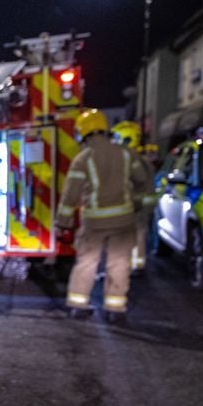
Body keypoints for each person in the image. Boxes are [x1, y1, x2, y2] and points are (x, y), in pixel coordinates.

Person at [57, 109, 151, 324]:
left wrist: (63, 220)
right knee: (118, 263)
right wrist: (135, 202)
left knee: (87, 263)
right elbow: (141, 179)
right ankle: (115, 309)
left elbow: (71, 192)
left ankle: (78, 305)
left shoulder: (83, 158)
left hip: (94, 222)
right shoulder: (126, 154)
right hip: (123, 220)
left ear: (84, 132)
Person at [111, 121, 158, 275]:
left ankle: (134, 266)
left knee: (136, 236)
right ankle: (132, 265)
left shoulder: (134, 160)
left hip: (137, 207)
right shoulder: (136, 159)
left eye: (118, 138)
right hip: (137, 206)